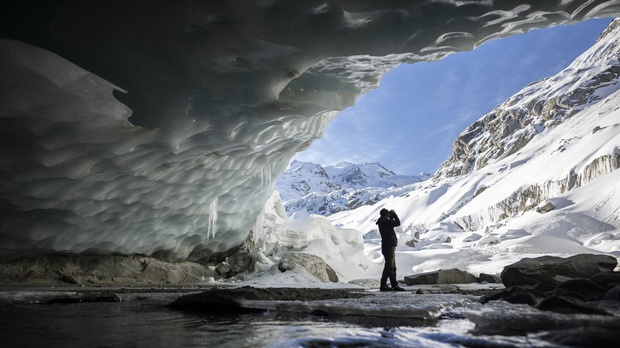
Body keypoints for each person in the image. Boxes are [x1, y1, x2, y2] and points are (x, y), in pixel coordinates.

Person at [376, 208, 405, 291]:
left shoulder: (383, 221)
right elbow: (397, 223)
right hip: (389, 246)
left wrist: (390, 217)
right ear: (386, 214)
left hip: (387, 246)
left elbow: (392, 224)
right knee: (389, 266)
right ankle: (384, 284)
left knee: (391, 266)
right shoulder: (385, 221)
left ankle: (393, 284)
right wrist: (394, 215)